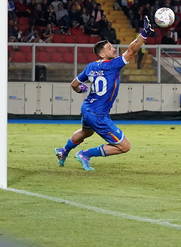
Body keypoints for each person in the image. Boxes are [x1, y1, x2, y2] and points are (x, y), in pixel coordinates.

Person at [54, 17, 153, 171]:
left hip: (87, 108)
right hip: (98, 114)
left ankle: (63, 150)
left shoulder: (91, 66)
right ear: (102, 54)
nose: (113, 49)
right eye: (109, 47)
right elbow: (132, 50)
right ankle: (85, 154)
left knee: (86, 132)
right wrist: (144, 33)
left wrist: (82, 90)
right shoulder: (113, 65)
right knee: (124, 146)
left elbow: (74, 84)